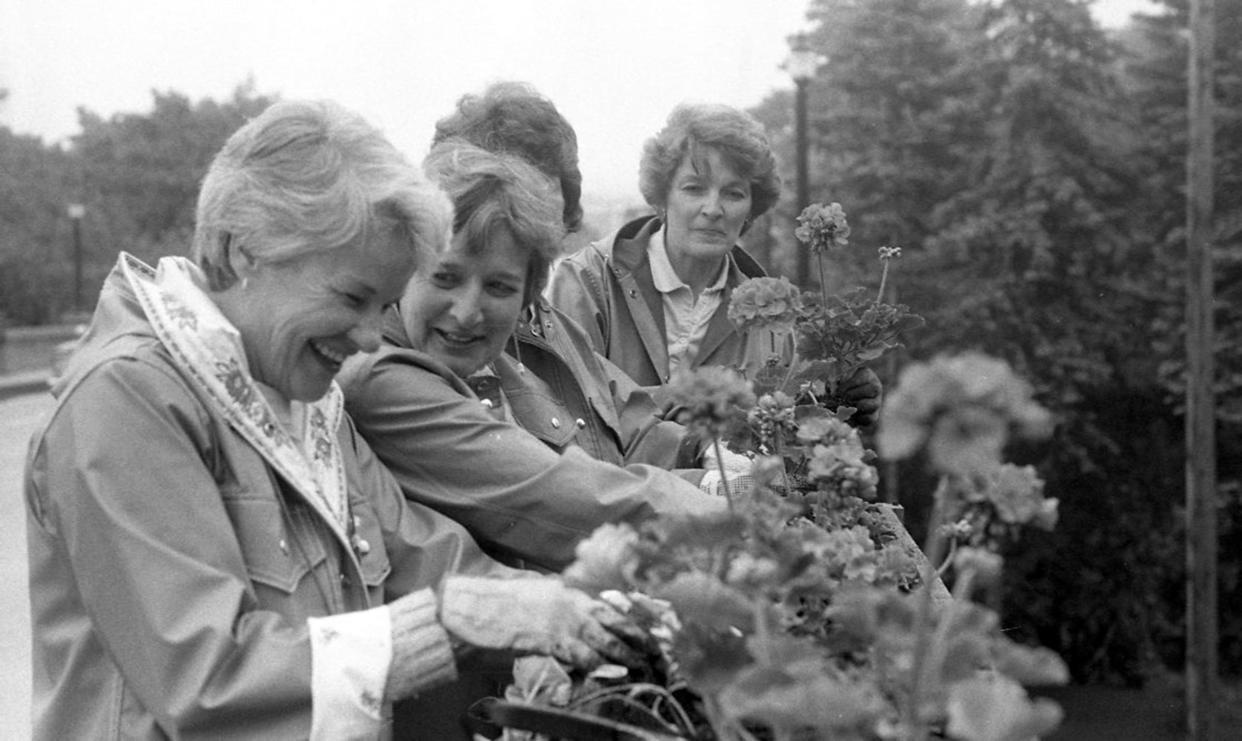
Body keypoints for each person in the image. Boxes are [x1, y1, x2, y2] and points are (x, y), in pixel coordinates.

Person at [23, 100, 646, 740]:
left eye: (382, 305)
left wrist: (567, 613)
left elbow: (418, 553)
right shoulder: (127, 398)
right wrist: (452, 621)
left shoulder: (301, 389)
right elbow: (209, 680)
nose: (372, 338)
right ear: (245, 252)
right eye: (352, 298)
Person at [338, 140, 731, 580]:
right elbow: (560, 495)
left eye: (499, 288)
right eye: (445, 277)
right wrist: (738, 520)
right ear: (403, 270)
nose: (468, 311)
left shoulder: (476, 360)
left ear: (527, 299)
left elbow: (612, 441)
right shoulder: (382, 378)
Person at [419, 81, 746, 481]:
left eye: (538, 194)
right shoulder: (457, 338)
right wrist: (709, 489)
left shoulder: (549, 319)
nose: (521, 210)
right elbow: (555, 491)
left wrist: (702, 450)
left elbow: (627, 414)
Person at [548, 102, 882, 425]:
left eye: (733, 194)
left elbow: (787, 441)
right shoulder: (587, 282)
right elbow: (577, 415)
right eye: (694, 189)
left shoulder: (771, 315)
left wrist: (838, 401)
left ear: (751, 209)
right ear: (662, 196)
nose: (713, 208)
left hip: (738, 485)